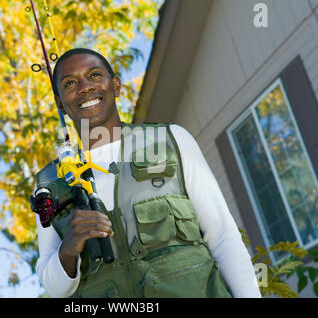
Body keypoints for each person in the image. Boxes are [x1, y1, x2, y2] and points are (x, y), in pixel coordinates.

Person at [33, 48, 261, 298]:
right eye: (70, 83)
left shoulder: (171, 139)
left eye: (95, 75)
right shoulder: (49, 182)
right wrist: (68, 250)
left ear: (116, 86)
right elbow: (53, 288)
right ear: (60, 103)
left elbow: (223, 238)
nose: (85, 87)